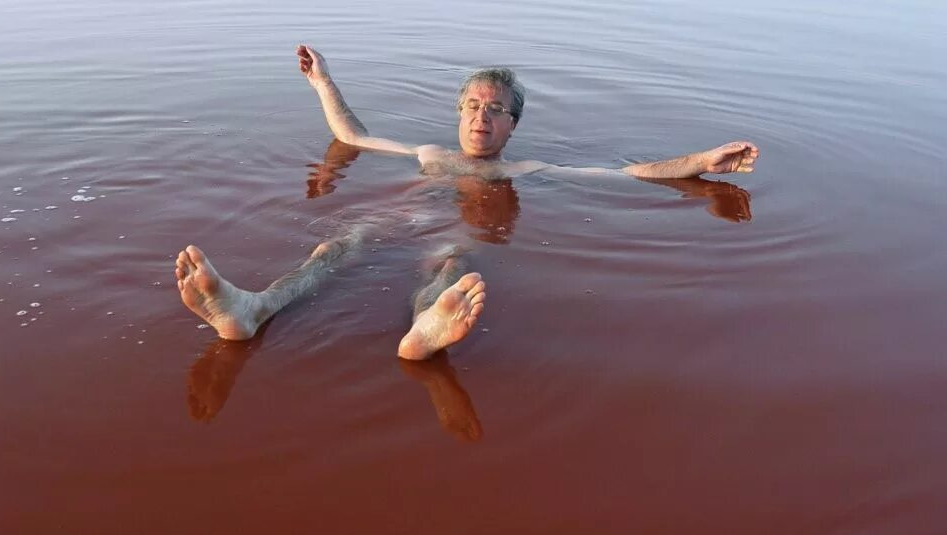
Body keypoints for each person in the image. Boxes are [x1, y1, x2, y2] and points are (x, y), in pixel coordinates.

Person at [175, 45, 760, 361]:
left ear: (512, 126)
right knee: (336, 244)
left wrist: (702, 160)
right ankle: (250, 310)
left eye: (496, 110)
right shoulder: (429, 153)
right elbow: (354, 136)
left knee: (452, 263)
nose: (482, 117)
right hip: (403, 213)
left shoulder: (526, 168)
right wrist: (324, 83)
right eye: (474, 107)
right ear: (459, 114)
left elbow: (631, 173)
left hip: (457, 229)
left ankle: (426, 329)